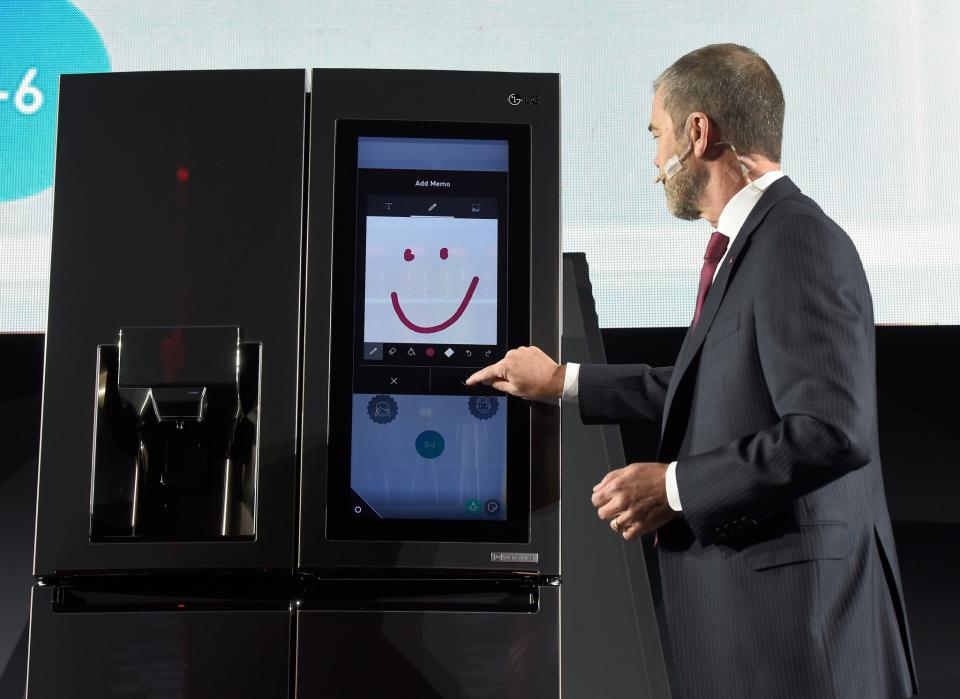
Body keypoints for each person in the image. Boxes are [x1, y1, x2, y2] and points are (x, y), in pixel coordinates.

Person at [467, 43, 918, 699]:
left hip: (798, 646)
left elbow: (831, 428)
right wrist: (562, 379)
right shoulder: (757, 244)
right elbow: (706, 386)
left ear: (698, 132)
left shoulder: (796, 239)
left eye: (657, 135)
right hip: (760, 638)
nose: (655, 160)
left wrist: (674, 488)